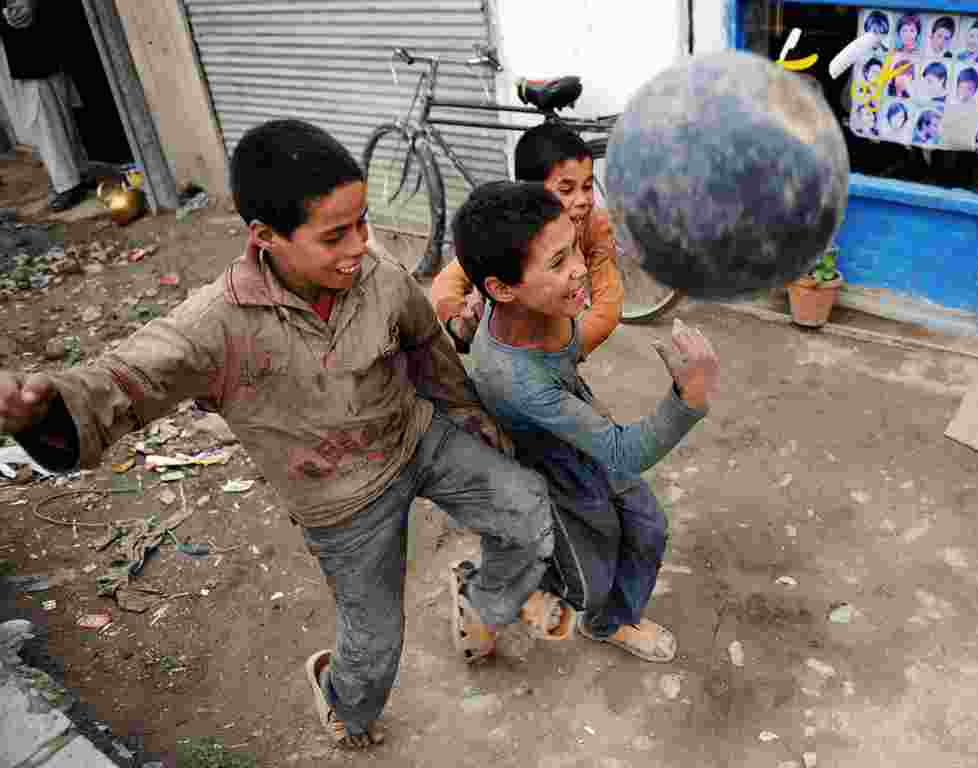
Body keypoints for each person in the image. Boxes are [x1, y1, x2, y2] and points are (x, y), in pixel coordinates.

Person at [0, 119, 565, 750]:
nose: (360, 245)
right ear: (266, 237)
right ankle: (344, 705)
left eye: (363, 223)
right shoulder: (214, 326)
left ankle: (482, 603)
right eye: (335, 236)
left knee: (527, 510)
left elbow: (427, 347)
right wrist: (44, 411)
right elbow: (122, 380)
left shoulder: (377, 277)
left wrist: (471, 417)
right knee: (375, 645)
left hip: (417, 438)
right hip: (342, 506)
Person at [453, 181, 719, 664]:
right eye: (557, 263)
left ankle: (608, 622)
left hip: (578, 426)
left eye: (572, 247)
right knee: (585, 581)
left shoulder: (533, 299)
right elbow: (624, 451)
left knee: (647, 527)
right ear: (501, 288)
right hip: (550, 472)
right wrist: (688, 397)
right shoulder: (518, 378)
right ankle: (486, 590)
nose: (577, 268)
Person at [431, 122, 623, 360]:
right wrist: (460, 322)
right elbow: (447, 282)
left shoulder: (595, 225)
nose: (583, 200)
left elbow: (608, 307)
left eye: (587, 186)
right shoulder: (509, 231)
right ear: (528, 192)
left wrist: (564, 353)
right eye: (566, 190)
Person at [0, 0, 90, 211]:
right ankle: (76, 174)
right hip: (31, 42)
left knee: (44, 114)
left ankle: (69, 182)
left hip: (35, 44)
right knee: (54, 112)